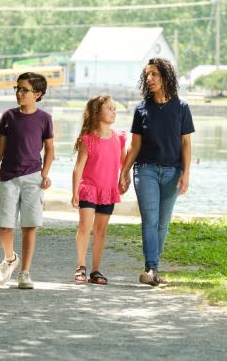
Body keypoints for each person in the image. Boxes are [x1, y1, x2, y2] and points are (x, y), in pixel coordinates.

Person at [119, 57, 194, 287]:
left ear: (165, 77)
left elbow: (185, 144)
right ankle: (150, 268)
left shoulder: (181, 108)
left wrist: (186, 173)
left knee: (163, 224)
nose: (149, 79)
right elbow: (135, 145)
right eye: (147, 75)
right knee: (150, 221)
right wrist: (124, 172)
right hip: (146, 170)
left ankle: (154, 269)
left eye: (154, 74)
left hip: (173, 172)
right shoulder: (141, 109)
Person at [0, 72, 54, 290]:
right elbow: (0, 148)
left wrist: (45, 174)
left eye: (24, 89)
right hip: (8, 177)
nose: (19, 93)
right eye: (18, 88)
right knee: (5, 227)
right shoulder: (9, 116)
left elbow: (50, 150)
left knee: (29, 227)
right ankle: (10, 258)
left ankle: (25, 272)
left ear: (37, 94)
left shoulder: (45, 118)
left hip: (33, 178)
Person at [70, 95, 126, 285]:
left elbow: (123, 164)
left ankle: (95, 271)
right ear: (97, 112)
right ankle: (80, 266)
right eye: (109, 108)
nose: (113, 112)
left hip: (108, 191)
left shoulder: (119, 138)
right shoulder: (88, 140)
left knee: (101, 231)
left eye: (115, 108)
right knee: (85, 228)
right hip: (89, 189)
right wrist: (74, 192)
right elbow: (78, 168)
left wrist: (123, 179)